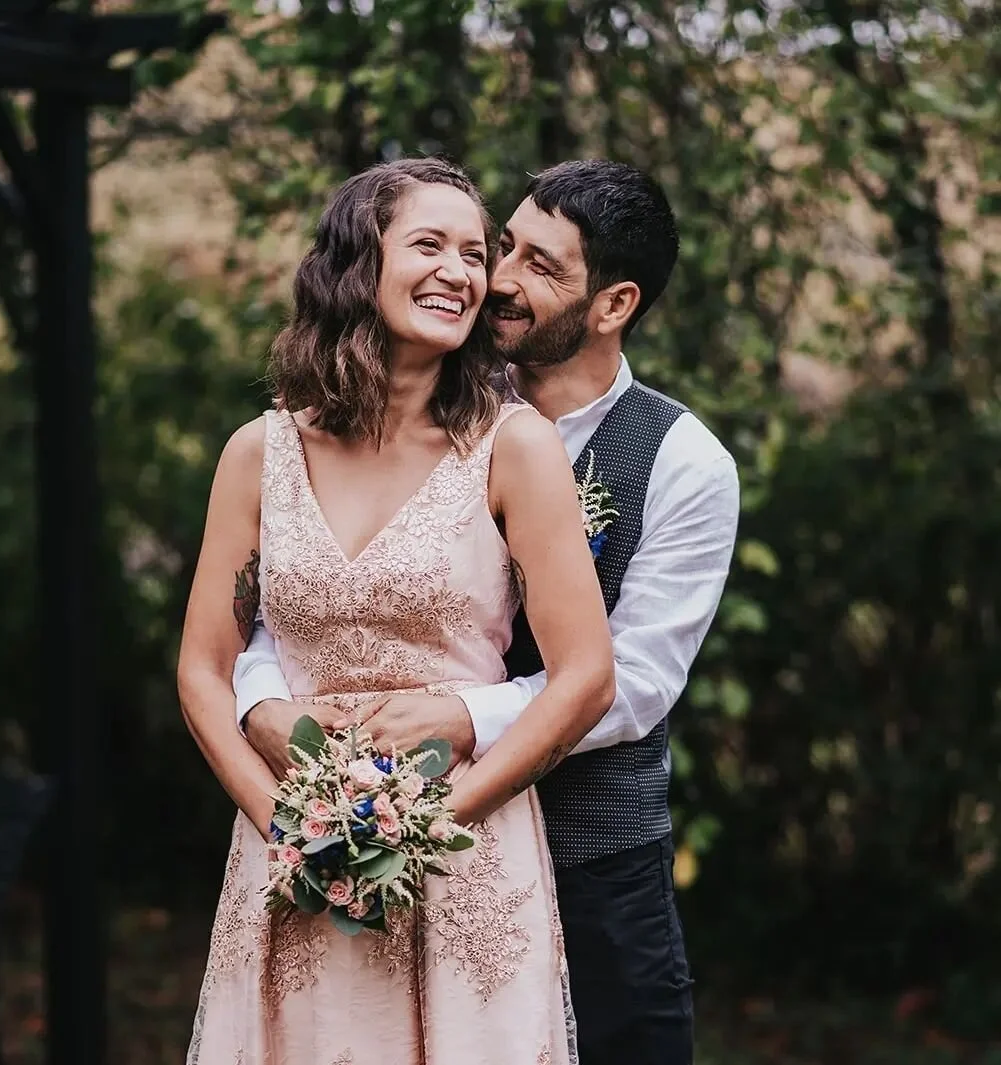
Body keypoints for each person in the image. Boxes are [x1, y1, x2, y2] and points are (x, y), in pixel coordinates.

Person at [237, 159, 741, 1065]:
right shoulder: (413, 408)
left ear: (613, 304)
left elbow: (634, 684)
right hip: (362, 848)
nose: (499, 278)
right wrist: (263, 696)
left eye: (541, 266)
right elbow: (308, 596)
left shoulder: (682, 462)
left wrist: (461, 716)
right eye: (503, 246)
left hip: (590, 868)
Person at [177, 156, 616, 1065]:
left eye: (474, 251)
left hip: (465, 850)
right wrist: (284, 827)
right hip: (292, 857)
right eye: (429, 244)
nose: (462, 272)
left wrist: (431, 824)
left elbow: (585, 677)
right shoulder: (257, 454)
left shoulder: (515, 448)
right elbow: (202, 669)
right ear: (355, 261)